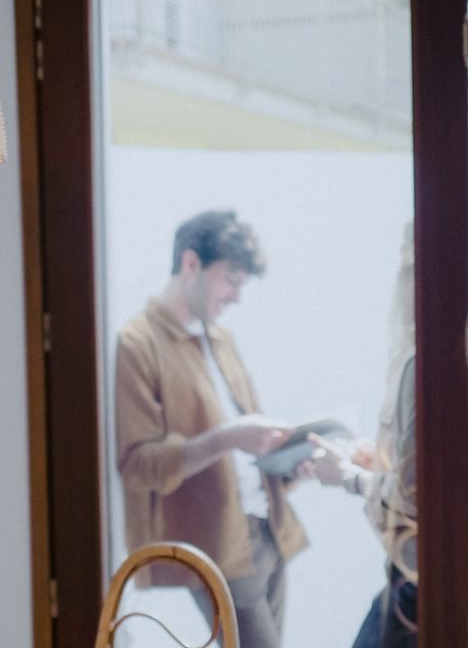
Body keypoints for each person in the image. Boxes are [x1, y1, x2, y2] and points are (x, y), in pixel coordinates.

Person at [114, 209, 307, 648]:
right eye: (231, 279)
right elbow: (139, 464)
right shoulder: (138, 343)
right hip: (216, 544)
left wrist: (292, 460)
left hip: (268, 531)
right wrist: (228, 438)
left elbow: (248, 446)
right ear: (191, 265)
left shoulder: (219, 338)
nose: (237, 296)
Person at [310, 222, 417, 648]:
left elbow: (415, 502)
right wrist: (384, 464)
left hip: (417, 589)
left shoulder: (420, 366)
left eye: (406, 267)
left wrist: (350, 477)